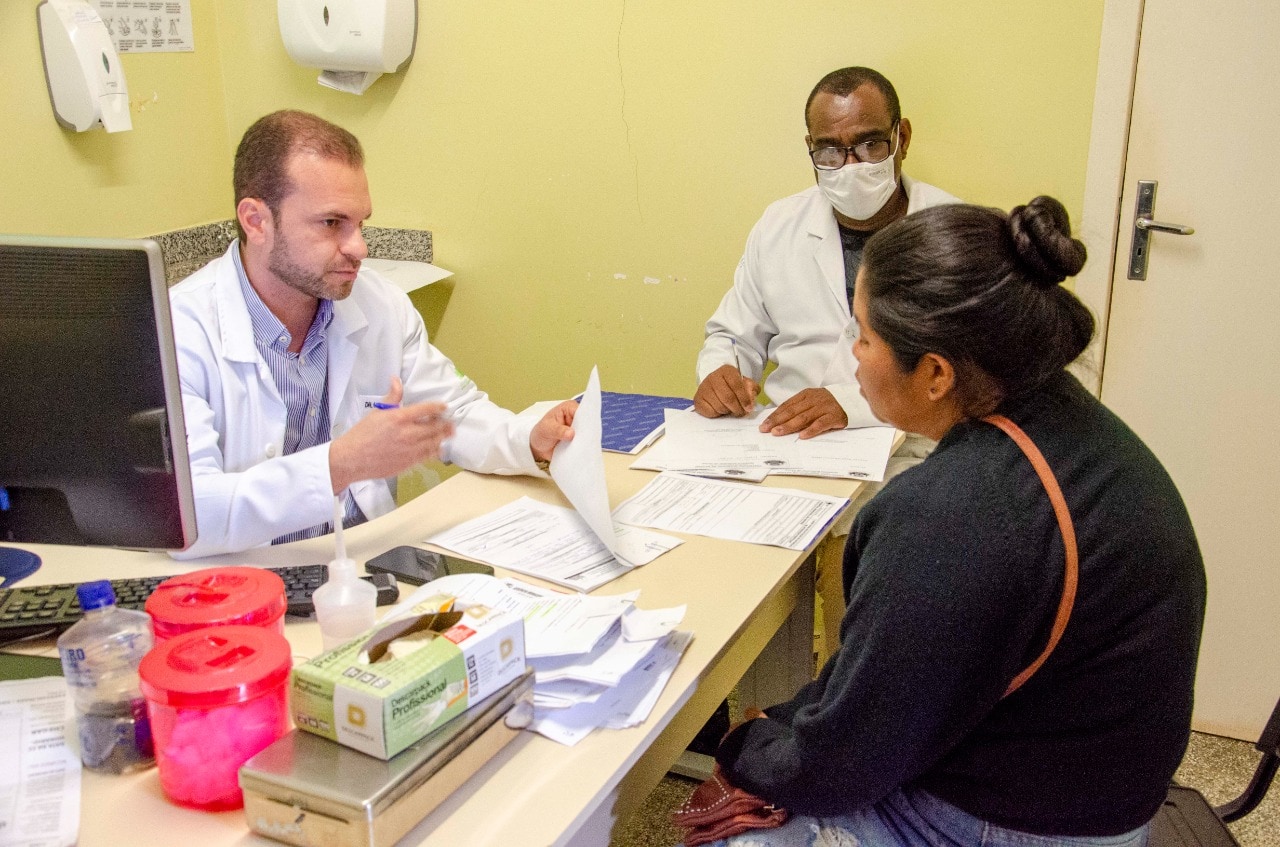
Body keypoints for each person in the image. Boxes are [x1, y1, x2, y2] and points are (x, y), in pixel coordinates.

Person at [699, 197, 1206, 845]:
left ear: (936, 373)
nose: (852, 356)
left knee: (736, 835)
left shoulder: (953, 514)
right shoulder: (1069, 424)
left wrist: (743, 739)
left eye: (864, 336)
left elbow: (840, 771)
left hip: (1020, 825)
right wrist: (788, 716)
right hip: (1093, 794)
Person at [170, 110, 576, 559]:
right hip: (249, 585)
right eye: (331, 223)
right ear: (256, 221)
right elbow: (191, 515)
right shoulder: (178, 331)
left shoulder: (378, 304)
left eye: (361, 223)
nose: (358, 247)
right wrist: (341, 464)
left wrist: (528, 439)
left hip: (366, 568)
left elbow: (451, 414)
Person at [693, 66, 959, 439]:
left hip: (912, 448)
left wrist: (851, 405)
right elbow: (733, 336)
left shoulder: (955, 234)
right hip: (787, 443)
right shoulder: (780, 225)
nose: (850, 167)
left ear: (903, 138)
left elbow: (973, 372)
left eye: (870, 145)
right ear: (810, 148)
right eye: (830, 151)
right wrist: (720, 373)